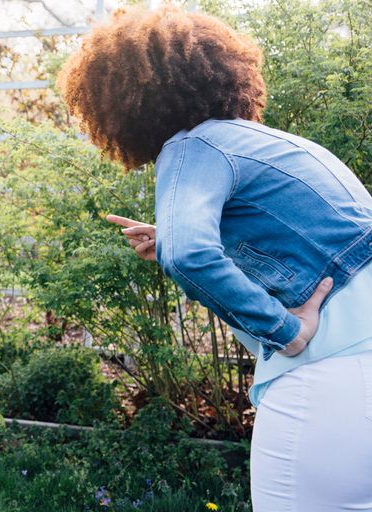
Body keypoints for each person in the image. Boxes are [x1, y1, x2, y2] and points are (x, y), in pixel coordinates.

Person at [56, 5, 372, 510]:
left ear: (125, 101)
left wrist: (284, 332)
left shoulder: (193, 146)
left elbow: (191, 254)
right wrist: (173, 237)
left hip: (324, 381)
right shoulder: (283, 145)